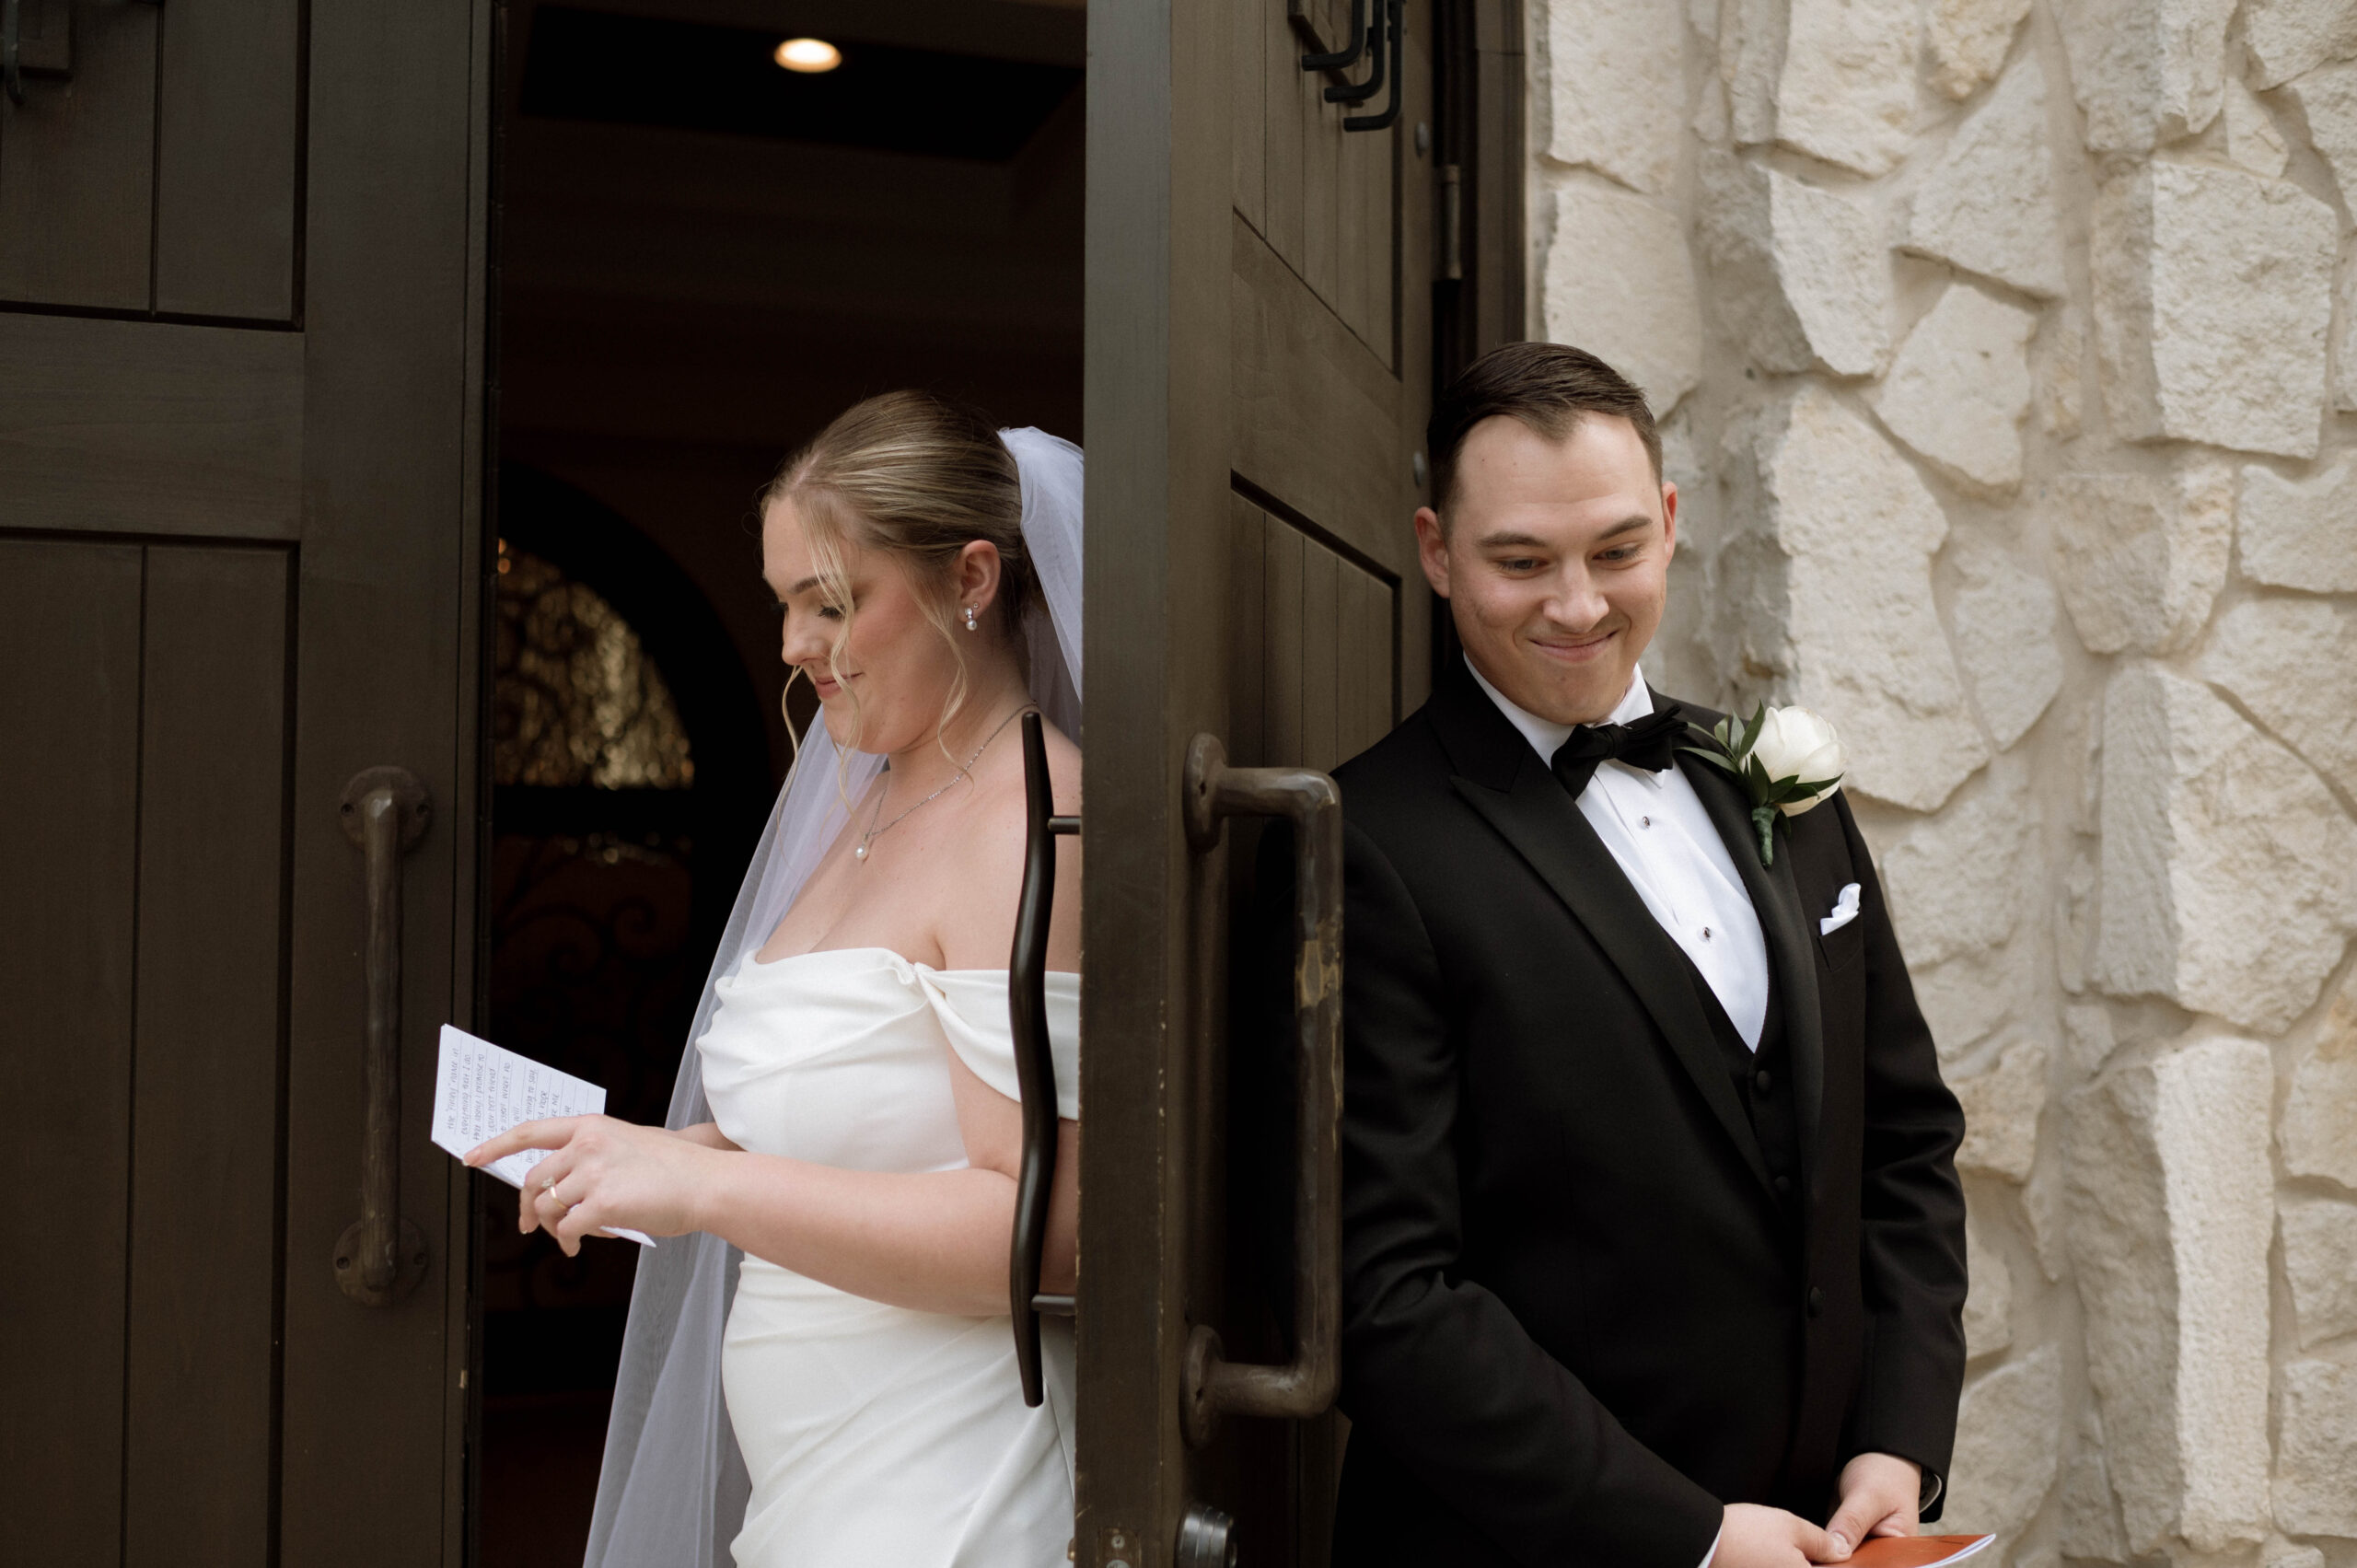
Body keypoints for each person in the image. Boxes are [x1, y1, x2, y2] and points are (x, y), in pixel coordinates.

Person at [1323, 343, 1968, 1568]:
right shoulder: (1367, 840)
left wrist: (1898, 1436)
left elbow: (1905, 1139)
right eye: (1522, 561)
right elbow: (1387, 1290)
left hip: (1829, 1532)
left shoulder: (1781, 774)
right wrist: (1688, 1533)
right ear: (1435, 549)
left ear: (1669, 525)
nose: (1577, 604)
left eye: (1616, 550)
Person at [464, 392, 1086, 1568]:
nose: (795, 644)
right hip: (818, 1481)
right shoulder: (869, 798)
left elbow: (1040, 1229)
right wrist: (644, 1158)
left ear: (970, 578)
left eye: (832, 602)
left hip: (948, 1486)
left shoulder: (1029, 822)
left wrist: (704, 1195)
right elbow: (871, 1135)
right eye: (784, 602)